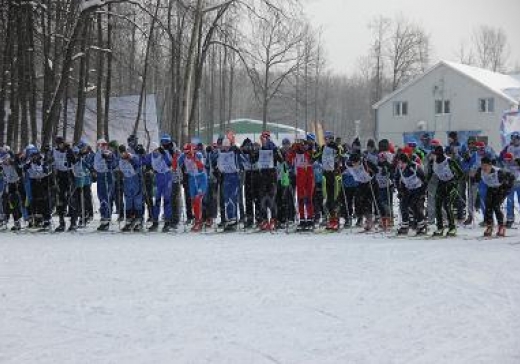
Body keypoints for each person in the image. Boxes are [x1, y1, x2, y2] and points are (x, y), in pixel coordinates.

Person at [429, 145, 464, 237]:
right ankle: (440, 228)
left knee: (447, 205)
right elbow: (430, 174)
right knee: (437, 205)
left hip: (451, 183)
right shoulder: (433, 162)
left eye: (435, 154)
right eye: (434, 154)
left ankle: (452, 228)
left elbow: (460, 173)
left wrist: (455, 183)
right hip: (441, 183)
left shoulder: (449, 161)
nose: (434, 156)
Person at [475, 156, 515, 237]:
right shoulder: (480, 170)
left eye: (486, 166)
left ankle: (501, 227)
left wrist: (507, 190)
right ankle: (489, 226)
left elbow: (512, 177)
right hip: (491, 187)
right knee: (488, 205)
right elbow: (476, 179)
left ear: (490, 165)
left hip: (501, 188)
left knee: (496, 206)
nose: (484, 168)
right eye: (483, 165)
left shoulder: (499, 172)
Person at [143, 134, 175, 232]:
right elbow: (143, 161)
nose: (155, 152)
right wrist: (139, 154)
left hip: (167, 177)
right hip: (158, 178)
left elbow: (170, 163)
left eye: (156, 149)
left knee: (167, 200)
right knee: (156, 201)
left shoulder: (165, 152)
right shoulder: (150, 156)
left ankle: (167, 222)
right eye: (154, 150)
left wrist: (164, 154)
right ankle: (155, 222)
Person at [395, 152, 427, 235]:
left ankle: (422, 225)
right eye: (398, 163)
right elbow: (396, 179)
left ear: (405, 162)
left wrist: (423, 192)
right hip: (407, 188)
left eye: (401, 163)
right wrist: (400, 191)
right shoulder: (399, 169)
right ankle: (405, 226)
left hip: (418, 188)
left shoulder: (414, 167)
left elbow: (423, 179)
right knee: (403, 205)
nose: (399, 165)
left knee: (415, 206)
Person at [178, 143, 207, 232]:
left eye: (189, 153)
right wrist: (175, 158)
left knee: (198, 199)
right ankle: (197, 220)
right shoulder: (183, 156)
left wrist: (195, 159)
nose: (187, 155)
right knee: (193, 200)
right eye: (186, 153)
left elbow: (202, 168)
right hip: (191, 179)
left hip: (201, 178)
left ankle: (199, 221)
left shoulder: (198, 154)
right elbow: (175, 166)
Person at [287, 139, 315, 230]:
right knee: (300, 198)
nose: (303, 147)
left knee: (308, 198)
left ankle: (310, 218)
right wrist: (292, 150)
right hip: (300, 174)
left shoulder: (310, 151)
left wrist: (306, 149)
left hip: (309, 175)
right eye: (302, 145)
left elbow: (311, 159)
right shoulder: (296, 151)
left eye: (305, 145)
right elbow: (289, 160)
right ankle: (302, 219)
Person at [119, 143, 145, 232]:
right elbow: (120, 168)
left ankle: (138, 221)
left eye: (124, 152)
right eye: (121, 153)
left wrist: (131, 160)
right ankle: (129, 222)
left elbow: (138, 166)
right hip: (127, 181)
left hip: (135, 181)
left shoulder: (134, 157)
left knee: (137, 201)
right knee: (128, 201)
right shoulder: (121, 160)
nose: (123, 154)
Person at [93, 139, 117, 231]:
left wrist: (109, 160)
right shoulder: (97, 154)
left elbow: (114, 163)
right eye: (100, 145)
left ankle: (106, 219)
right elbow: (95, 165)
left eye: (104, 145)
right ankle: (103, 218)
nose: (102, 146)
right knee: (101, 197)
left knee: (106, 198)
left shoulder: (109, 153)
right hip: (100, 177)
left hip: (108, 176)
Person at [502, 152, 520, 228]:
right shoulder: (504, 166)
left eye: (509, 160)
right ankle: (510, 219)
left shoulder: (516, 164)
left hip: (518, 184)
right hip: (510, 185)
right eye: (506, 160)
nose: (507, 161)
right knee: (509, 201)